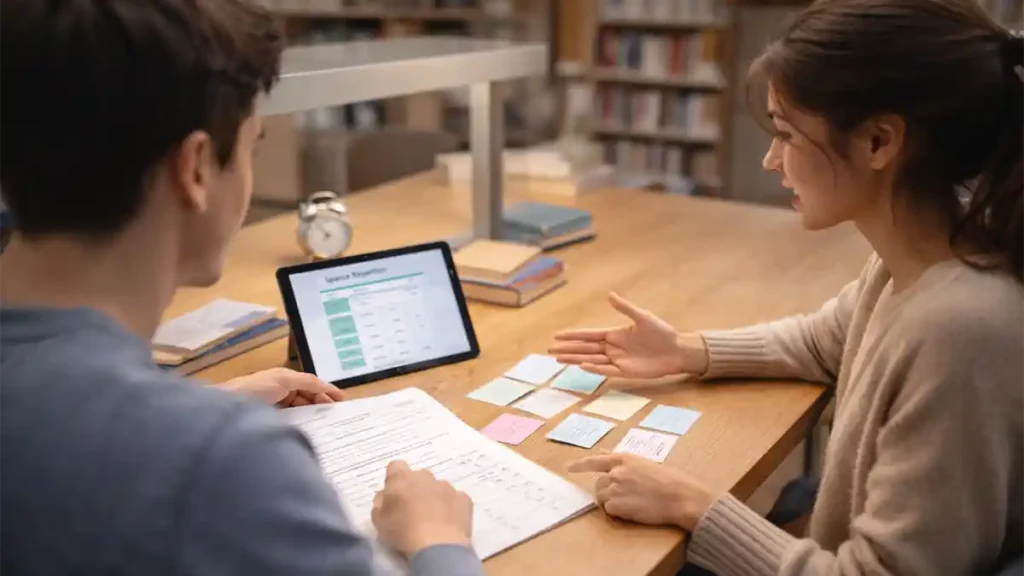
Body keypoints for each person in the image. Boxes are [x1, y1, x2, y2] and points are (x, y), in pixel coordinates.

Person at [0, 1, 481, 575]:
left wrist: (202, 406)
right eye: (254, 146)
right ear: (197, 169)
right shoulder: (226, 465)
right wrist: (439, 539)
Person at [551, 0, 1024, 574]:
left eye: (786, 133)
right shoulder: (927, 251)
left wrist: (693, 505)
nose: (772, 160)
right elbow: (827, 340)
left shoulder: (958, 328)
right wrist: (686, 351)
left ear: (879, 142)